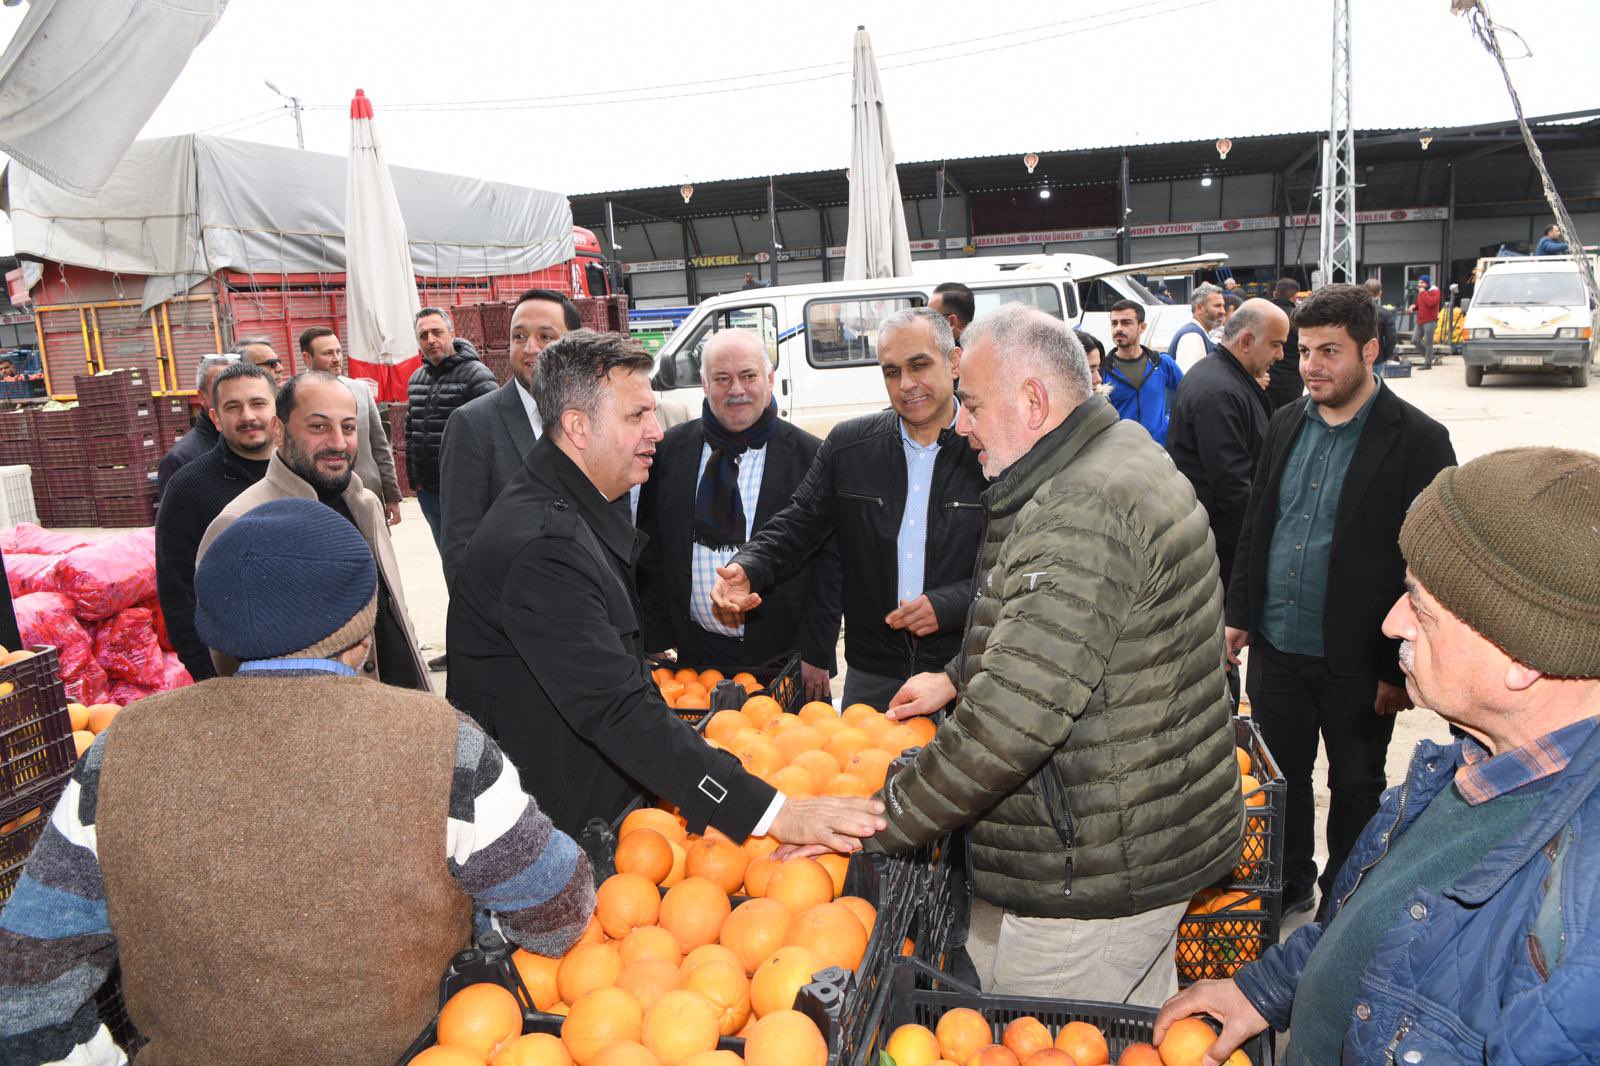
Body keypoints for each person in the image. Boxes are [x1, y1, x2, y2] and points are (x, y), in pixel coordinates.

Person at [0, 498, 595, 1065]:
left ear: (214, 631)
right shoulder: (443, 743)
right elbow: (559, 908)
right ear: (365, 627)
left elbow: (24, 986)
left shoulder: (120, 751)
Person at [1158, 446, 1600, 1066]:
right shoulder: (1472, 764)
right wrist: (1271, 988)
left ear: (1521, 657)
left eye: (1420, 605)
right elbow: (1387, 931)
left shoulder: (1581, 914)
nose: (1393, 623)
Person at [863, 304, 1243, 1007]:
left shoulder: (1082, 506)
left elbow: (1011, 722)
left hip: (1097, 870)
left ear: (1034, 401)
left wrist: (877, 822)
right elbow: (1073, 629)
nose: (961, 424)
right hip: (1141, 834)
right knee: (1134, 1031)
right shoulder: (1115, 450)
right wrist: (956, 677)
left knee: (1037, 1036)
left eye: (971, 405)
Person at [446, 329, 887, 847]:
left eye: (652, 413)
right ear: (577, 427)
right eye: (637, 416)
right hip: (545, 830)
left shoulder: (571, 508)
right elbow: (616, 710)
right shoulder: (544, 546)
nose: (656, 431)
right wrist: (768, 812)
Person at [1226, 283, 1456, 919]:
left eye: (1330, 351)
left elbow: (1431, 564)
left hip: (1359, 657)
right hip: (1278, 645)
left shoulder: (1418, 440)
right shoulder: (1282, 424)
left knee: (1355, 787)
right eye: (1304, 351)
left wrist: (1398, 666)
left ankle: (1343, 904)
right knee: (1282, 782)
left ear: (1371, 351)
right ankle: (1290, 882)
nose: (1312, 367)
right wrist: (1239, 614)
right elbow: (1257, 523)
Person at [710, 307, 987, 710]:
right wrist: (747, 568)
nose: (907, 384)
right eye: (892, 372)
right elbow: (796, 524)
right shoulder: (849, 446)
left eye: (919, 365)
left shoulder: (989, 448)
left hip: (964, 668)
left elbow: (1017, 564)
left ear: (954, 361)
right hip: (873, 674)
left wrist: (952, 606)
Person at [637, 330, 841, 700]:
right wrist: (654, 639)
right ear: (703, 384)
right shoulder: (669, 452)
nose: (737, 390)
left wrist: (818, 652)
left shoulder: (811, 457)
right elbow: (651, 551)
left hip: (784, 659)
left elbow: (830, 565)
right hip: (693, 659)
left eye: (748, 376)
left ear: (769, 379)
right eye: (722, 378)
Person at [198, 371, 431, 691]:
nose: (338, 442)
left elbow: (394, 619)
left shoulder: (367, 506)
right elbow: (231, 666)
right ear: (278, 430)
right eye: (318, 426)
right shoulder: (241, 526)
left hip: (396, 708)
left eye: (347, 427)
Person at [438, 289, 581, 590]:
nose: (530, 348)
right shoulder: (472, 424)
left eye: (546, 337)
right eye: (519, 336)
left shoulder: (593, 418)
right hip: (512, 619)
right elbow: (459, 548)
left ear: (574, 345)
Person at [155, 362, 277, 681]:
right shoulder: (188, 487)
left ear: (277, 410)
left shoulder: (307, 473)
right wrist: (205, 669)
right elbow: (176, 587)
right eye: (233, 407)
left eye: (258, 403)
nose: (248, 416)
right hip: (236, 667)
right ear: (216, 418)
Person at [1167, 298, 1290, 591]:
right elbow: (1233, 486)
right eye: (1275, 344)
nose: (1281, 355)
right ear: (1246, 341)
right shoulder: (1219, 392)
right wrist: (1268, 537)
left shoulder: (1229, 380)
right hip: (1222, 547)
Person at [405, 306, 497, 546]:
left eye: (437, 332)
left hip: (467, 493)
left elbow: (494, 432)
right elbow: (410, 433)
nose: (431, 340)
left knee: (476, 555)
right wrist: (416, 480)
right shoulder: (416, 380)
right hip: (431, 493)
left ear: (451, 333)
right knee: (448, 557)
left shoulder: (476, 376)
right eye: (423, 335)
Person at [300, 327, 403, 526]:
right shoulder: (295, 398)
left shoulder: (360, 390)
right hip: (320, 501)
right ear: (307, 357)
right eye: (328, 353)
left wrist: (392, 495)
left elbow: (380, 447)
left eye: (338, 351)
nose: (337, 358)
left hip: (367, 494)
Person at [1102, 298, 1184, 448]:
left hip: (1159, 450)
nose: (1118, 328)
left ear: (1142, 327)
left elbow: (1187, 393)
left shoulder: (1161, 363)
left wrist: (1168, 422)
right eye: (1114, 323)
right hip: (1120, 454)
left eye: (1126, 323)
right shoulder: (1103, 369)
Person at [155, 353, 236, 501]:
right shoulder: (180, 460)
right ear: (202, 397)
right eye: (221, 387)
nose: (233, 395)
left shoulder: (256, 444)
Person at [1168, 283, 1225, 373]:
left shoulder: (1199, 333)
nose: (1223, 311)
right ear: (1199, 308)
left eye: (1223, 306)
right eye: (1217, 306)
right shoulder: (1192, 337)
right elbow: (1188, 379)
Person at [1266, 278, 1305, 409]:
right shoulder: (1299, 320)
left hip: (1265, 378)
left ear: (1275, 293)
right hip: (1291, 382)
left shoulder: (1262, 315)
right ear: (1295, 297)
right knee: (1290, 422)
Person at [1409, 275, 1441, 370]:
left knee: (1428, 343)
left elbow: (1431, 303)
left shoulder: (1435, 291)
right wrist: (1414, 307)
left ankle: (1428, 364)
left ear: (1427, 283)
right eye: (1419, 283)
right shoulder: (1422, 293)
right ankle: (1430, 358)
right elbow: (1419, 305)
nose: (1420, 285)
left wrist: (1423, 293)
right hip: (1420, 320)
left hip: (1430, 321)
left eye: (1422, 283)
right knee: (1415, 340)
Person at [1364, 279, 1398, 365]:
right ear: (1380, 294)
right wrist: (1384, 356)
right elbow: (1392, 339)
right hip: (1376, 357)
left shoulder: (1353, 312)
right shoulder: (1385, 313)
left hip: (1357, 357)